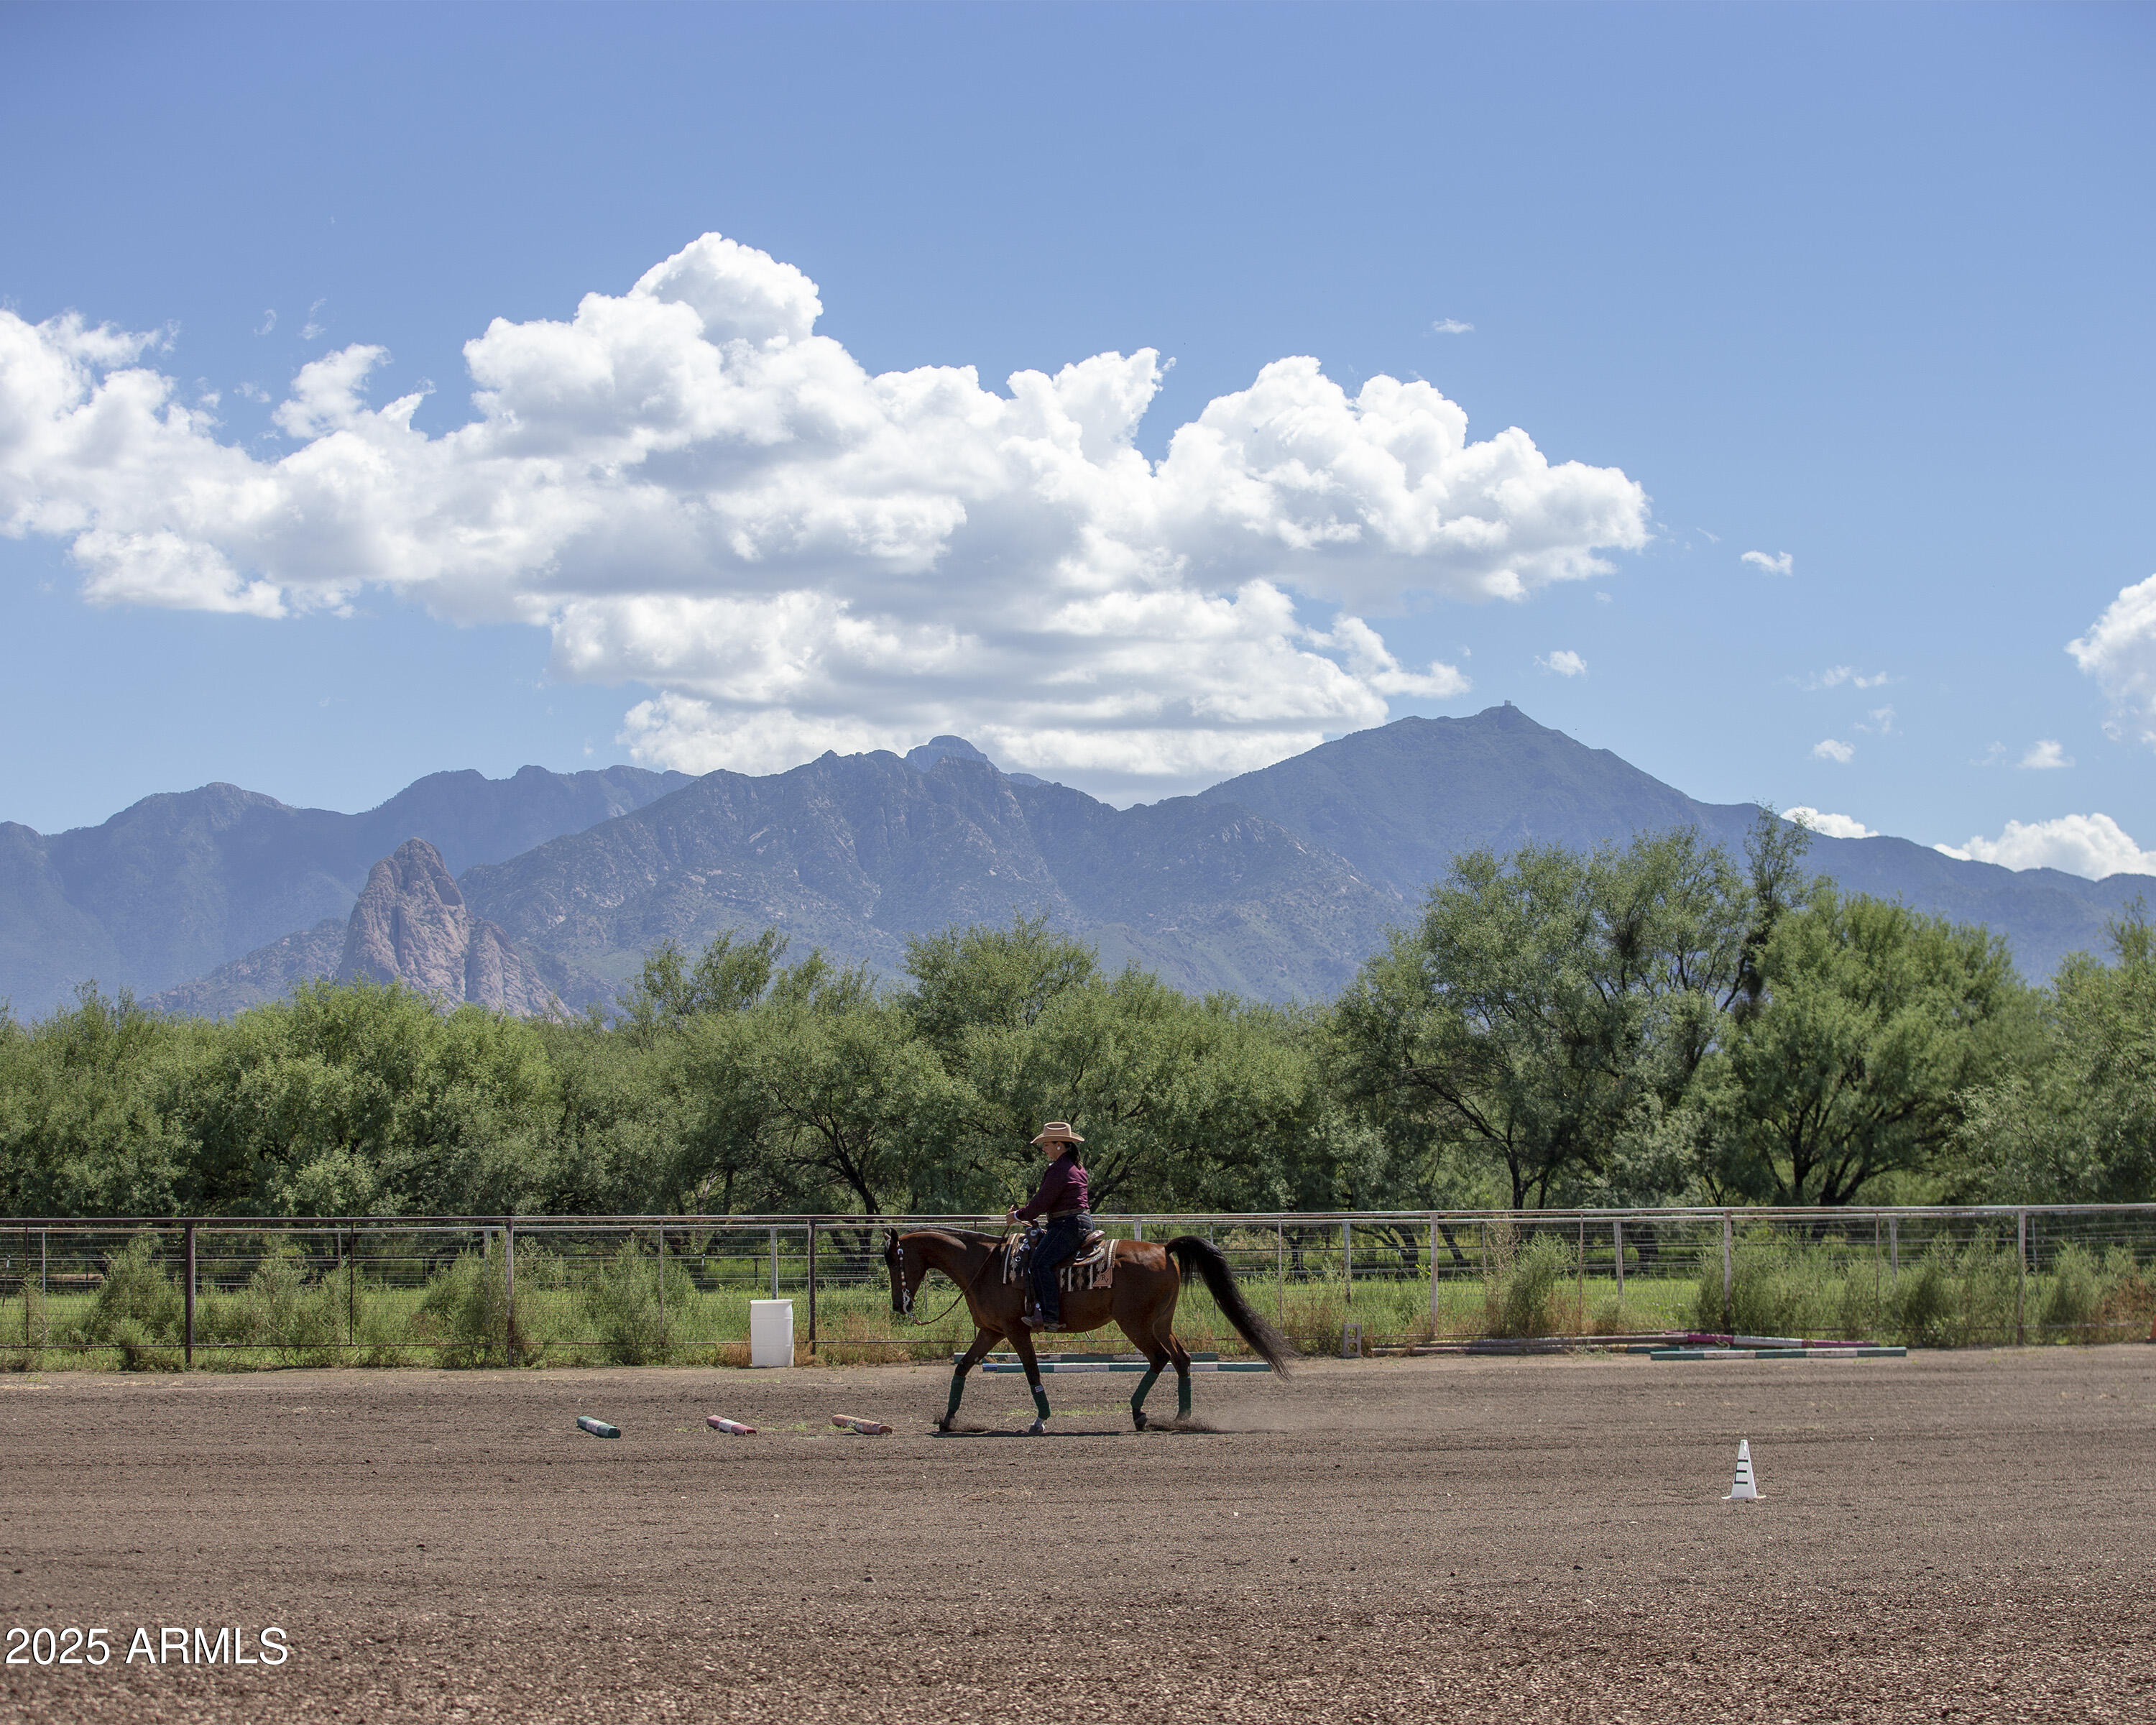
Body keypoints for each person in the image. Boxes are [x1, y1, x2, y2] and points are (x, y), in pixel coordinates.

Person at [1008, 1122, 1091, 1330]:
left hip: (1067, 1225)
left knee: (1039, 1263)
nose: (1044, 1149)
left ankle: (1050, 1316)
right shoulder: (1076, 1167)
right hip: (1078, 1222)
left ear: (1060, 1145)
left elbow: (1042, 1201)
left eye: (1046, 1144)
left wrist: (1018, 1215)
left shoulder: (1060, 1170)